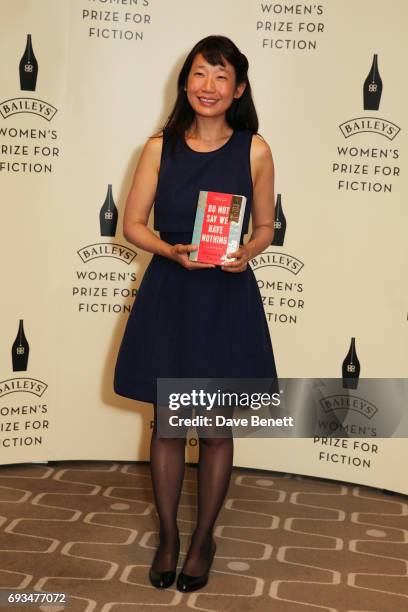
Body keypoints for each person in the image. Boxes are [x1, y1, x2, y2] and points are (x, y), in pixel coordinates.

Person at [114, 35, 278, 593]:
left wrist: (248, 253)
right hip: (172, 291)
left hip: (226, 297)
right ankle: (167, 535)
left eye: (222, 76)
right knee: (167, 424)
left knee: (212, 427)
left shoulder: (255, 150)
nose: (209, 87)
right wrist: (168, 250)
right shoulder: (160, 147)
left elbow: (264, 228)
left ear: (240, 88)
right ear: (186, 82)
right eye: (200, 74)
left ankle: (204, 537)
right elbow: (133, 224)